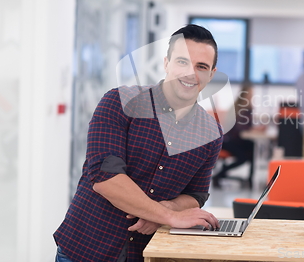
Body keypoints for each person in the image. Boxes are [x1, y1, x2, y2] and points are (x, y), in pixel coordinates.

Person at [54, 25, 222, 262]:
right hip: (87, 248)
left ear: (211, 74)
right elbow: (106, 179)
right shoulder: (119, 102)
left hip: (147, 254)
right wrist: (169, 216)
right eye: (182, 62)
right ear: (166, 63)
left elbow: (196, 194)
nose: (190, 73)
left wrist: (166, 211)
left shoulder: (211, 133)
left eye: (201, 67)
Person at [212, 83, 258, 188]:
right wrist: (253, 129)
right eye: (250, 94)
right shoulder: (237, 108)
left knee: (252, 147)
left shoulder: (248, 108)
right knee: (243, 156)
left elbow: (247, 127)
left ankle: (250, 178)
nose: (251, 97)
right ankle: (220, 174)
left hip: (238, 140)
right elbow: (239, 129)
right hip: (229, 141)